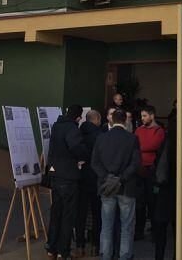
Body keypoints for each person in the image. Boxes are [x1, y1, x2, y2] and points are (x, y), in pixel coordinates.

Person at [92, 109, 141, 260]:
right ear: (125, 121)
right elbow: (136, 163)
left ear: (111, 120)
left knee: (106, 225)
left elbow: (95, 163)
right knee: (127, 226)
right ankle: (124, 256)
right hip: (126, 187)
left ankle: (105, 256)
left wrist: (108, 178)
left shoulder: (101, 138)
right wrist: (121, 178)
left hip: (106, 187)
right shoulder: (132, 139)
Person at [46, 104, 89, 260]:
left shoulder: (57, 126)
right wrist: (82, 158)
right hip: (68, 177)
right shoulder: (72, 129)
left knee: (56, 212)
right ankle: (62, 251)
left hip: (55, 175)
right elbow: (77, 147)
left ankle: (51, 247)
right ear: (78, 117)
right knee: (67, 215)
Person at [134, 105, 165, 240]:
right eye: (141, 116)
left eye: (145, 116)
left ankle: (155, 231)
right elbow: (134, 145)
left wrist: (140, 147)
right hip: (139, 170)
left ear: (152, 116)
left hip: (152, 170)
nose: (142, 118)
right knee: (139, 203)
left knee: (153, 202)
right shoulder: (139, 130)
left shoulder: (159, 130)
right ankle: (139, 231)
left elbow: (154, 145)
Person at [76, 110, 103, 258]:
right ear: (97, 120)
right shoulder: (100, 136)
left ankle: (79, 246)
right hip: (96, 179)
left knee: (80, 214)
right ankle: (95, 246)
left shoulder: (79, 134)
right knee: (96, 214)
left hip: (81, 179)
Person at [152, 127, 177, 260]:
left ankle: (159, 256)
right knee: (177, 230)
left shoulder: (164, 146)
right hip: (177, 192)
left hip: (163, 192)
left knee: (160, 231)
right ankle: (177, 256)